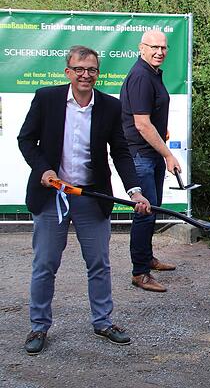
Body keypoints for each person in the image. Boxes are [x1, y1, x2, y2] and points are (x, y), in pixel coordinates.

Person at [17, 45, 152, 355]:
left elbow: (120, 151)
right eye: (79, 69)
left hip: (91, 196)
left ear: (97, 73)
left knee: (99, 264)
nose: (85, 75)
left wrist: (134, 190)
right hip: (53, 196)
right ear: (68, 72)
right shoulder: (47, 98)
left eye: (91, 69)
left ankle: (103, 322)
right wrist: (44, 169)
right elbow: (26, 140)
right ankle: (38, 326)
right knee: (45, 264)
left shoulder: (109, 106)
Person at [121, 30, 181, 293]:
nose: (160, 52)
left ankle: (147, 259)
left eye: (164, 48)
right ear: (141, 48)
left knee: (152, 209)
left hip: (151, 153)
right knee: (144, 213)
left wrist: (162, 144)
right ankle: (140, 273)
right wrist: (168, 154)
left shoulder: (153, 73)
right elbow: (142, 125)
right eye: (154, 47)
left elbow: (152, 120)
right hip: (140, 155)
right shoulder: (141, 77)